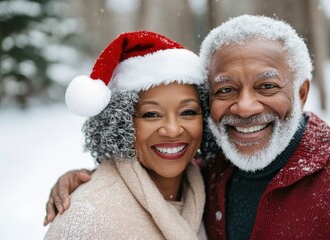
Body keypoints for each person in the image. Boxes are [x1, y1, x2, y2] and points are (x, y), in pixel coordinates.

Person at [44, 15, 330, 240]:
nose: (246, 107)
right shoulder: (211, 169)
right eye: (226, 90)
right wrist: (93, 180)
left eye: (266, 86)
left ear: (301, 93)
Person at [44, 30, 209, 239]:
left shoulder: (213, 187)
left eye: (188, 112)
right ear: (120, 123)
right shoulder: (89, 218)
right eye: (151, 114)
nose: (173, 129)